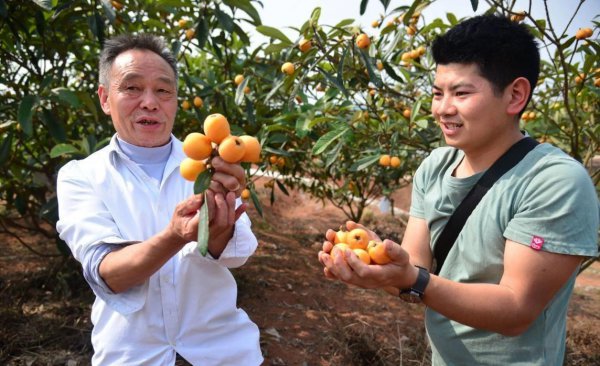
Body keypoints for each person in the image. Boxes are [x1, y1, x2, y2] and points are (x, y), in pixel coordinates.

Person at [318, 14, 599, 366]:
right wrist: (379, 264)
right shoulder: (435, 166)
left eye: (461, 93)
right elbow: (415, 271)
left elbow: (516, 310)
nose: (442, 109)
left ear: (515, 95)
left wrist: (413, 278)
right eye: (438, 93)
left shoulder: (554, 182)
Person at [56, 34, 263, 365]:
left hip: (223, 352)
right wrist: (175, 236)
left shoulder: (211, 166)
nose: (150, 102)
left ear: (175, 100)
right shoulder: (80, 176)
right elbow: (108, 273)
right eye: (132, 88)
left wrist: (219, 227)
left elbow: (237, 256)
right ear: (105, 98)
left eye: (163, 91)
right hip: (132, 356)